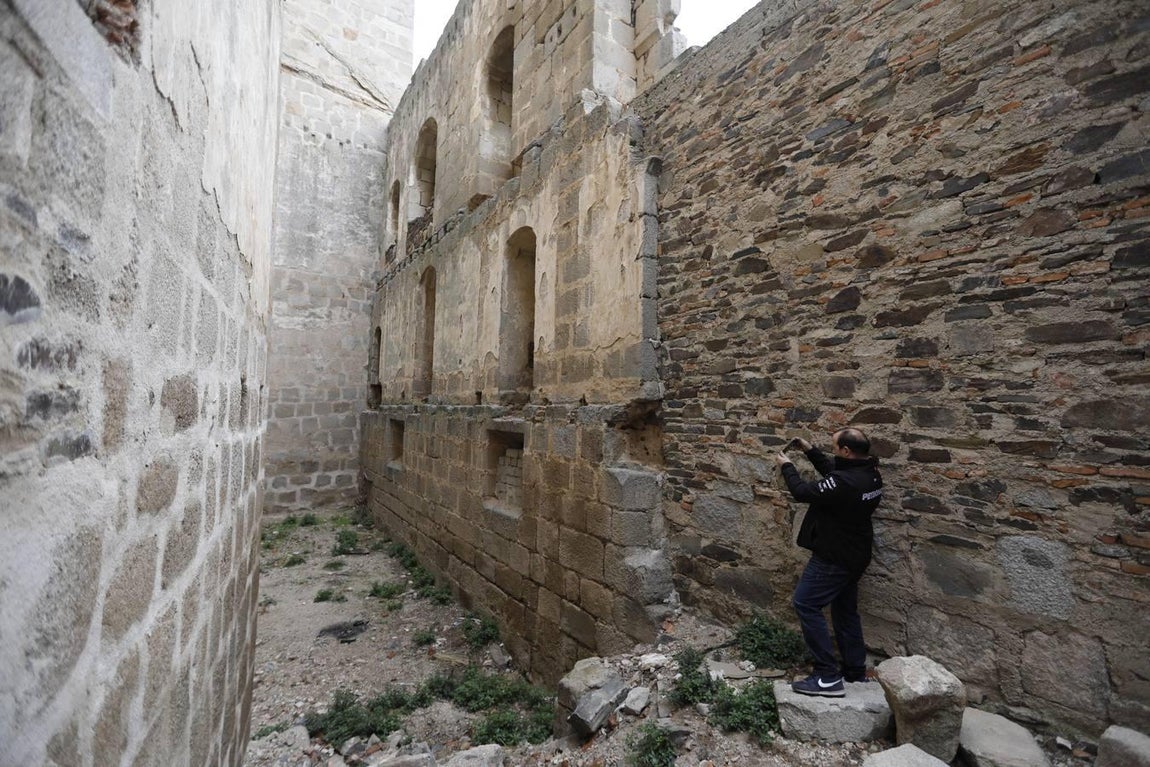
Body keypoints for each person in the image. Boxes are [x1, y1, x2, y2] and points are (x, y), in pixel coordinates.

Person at [774, 428, 883, 697]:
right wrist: (810, 451)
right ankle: (855, 671)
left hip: (834, 557)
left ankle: (827, 676)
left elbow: (802, 491)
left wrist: (787, 466)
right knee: (845, 611)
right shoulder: (870, 473)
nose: (833, 452)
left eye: (834, 447)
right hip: (856, 554)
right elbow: (835, 474)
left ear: (847, 451)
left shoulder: (846, 482)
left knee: (805, 603)